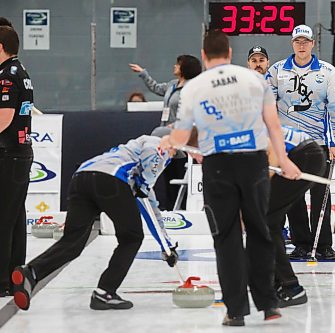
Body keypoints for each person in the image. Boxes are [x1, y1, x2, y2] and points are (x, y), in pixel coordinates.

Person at [160, 30, 300, 326]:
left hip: (218, 165)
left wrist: (169, 141)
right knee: (259, 231)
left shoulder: (194, 87)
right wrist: (284, 159)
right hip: (254, 163)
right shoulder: (254, 80)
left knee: (226, 238)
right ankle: (269, 304)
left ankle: (236, 311)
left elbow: (183, 135)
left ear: (204, 54)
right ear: (231, 52)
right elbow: (273, 125)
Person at [11, 134, 179, 311]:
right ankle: (105, 292)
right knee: (132, 237)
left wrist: (166, 247)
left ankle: (31, 272)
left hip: (81, 177)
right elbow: (152, 162)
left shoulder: (126, 158)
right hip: (109, 180)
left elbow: (150, 206)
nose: (172, 156)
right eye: (175, 152)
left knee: (72, 242)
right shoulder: (156, 145)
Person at [266, 24, 335, 260]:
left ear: (312, 44)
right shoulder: (277, 70)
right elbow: (268, 107)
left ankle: (323, 245)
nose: (301, 45)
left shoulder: (328, 72)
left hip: (318, 143)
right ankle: (301, 244)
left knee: (321, 194)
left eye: (305, 41)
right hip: (288, 144)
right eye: (297, 41)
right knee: (293, 195)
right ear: (292, 43)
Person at [130, 56, 202, 211]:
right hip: (165, 137)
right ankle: (171, 210)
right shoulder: (172, 85)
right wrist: (143, 73)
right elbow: (156, 88)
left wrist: (177, 124)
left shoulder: (192, 89)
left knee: (178, 173)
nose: (174, 66)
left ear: (185, 68)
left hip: (180, 137)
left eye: (178, 64)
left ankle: (182, 210)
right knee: (166, 175)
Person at [267, 125, 325, 307]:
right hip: (303, 152)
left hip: (303, 154)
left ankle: (291, 287)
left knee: (265, 222)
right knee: (269, 222)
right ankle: (278, 284)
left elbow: (270, 151)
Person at [0, 25, 34, 298]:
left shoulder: (7, 75)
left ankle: (2, 280)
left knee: (4, 218)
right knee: (13, 217)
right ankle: (14, 275)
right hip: (17, 153)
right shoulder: (17, 70)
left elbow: (4, 118)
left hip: (9, 153)